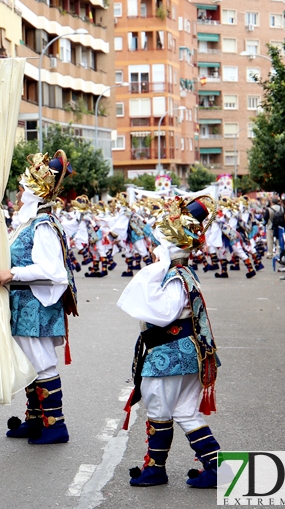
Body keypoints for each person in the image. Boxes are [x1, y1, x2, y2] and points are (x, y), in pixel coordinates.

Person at [117, 196, 221, 488]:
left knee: (160, 410)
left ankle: (155, 469)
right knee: (186, 411)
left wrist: (154, 270)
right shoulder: (181, 274)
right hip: (184, 353)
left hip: (171, 355)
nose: (152, 249)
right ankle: (216, 466)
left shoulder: (175, 276)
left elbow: (164, 314)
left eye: (158, 245)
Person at [0, 150, 78, 445]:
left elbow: (53, 271)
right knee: (30, 360)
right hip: (24, 302)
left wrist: (13, 274)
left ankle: (55, 425)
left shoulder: (42, 225)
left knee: (42, 361)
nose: (18, 194)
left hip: (35, 303)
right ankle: (35, 419)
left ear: (34, 192)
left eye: (21, 189)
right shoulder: (31, 222)